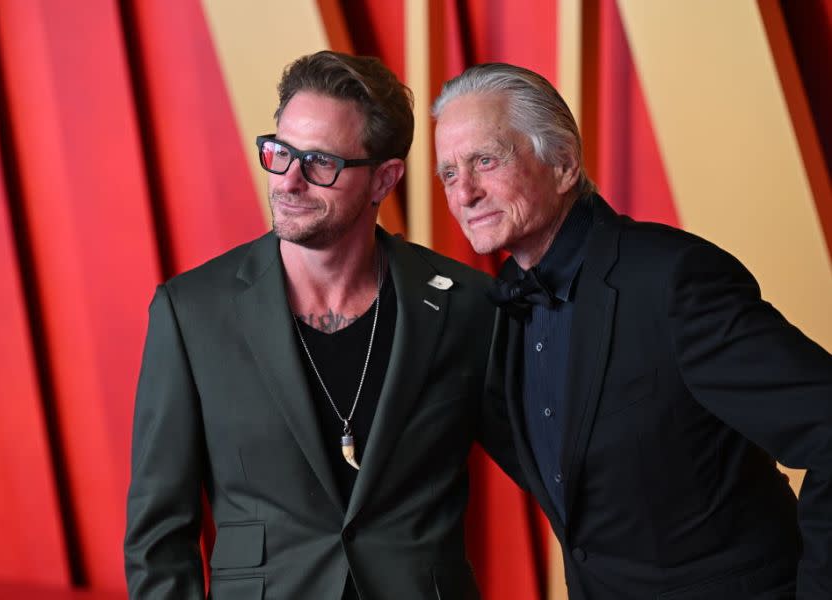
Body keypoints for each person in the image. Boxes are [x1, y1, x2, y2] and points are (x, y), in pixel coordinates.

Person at [432, 62, 832, 599]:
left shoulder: (672, 280)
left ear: (565, 164)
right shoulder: (500, 309)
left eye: (485, 160)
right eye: (450, 174)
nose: (465, 193)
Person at [124, 50, 504, 600]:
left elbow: (558, 476)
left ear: (384, 180)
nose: (290, 181)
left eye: (321, 162)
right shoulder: (191, 312)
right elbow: (158, 536)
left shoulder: (468, 307)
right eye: (280, 153)